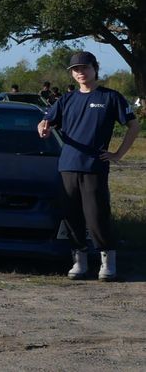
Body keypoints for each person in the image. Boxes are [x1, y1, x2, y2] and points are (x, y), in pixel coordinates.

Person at [39, 51, 139, 281]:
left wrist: (118, 154)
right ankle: (79, 261)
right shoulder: (66, 99)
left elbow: (133, 127)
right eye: (76, 69)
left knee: (96, 215)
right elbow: (45, 123)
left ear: (95, 69)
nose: (80, 73)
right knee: (71, 215)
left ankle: (107, 262)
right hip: (68, 165)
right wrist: (43, 129)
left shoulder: (110, 97)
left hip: (94, 166)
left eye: (84, 68)